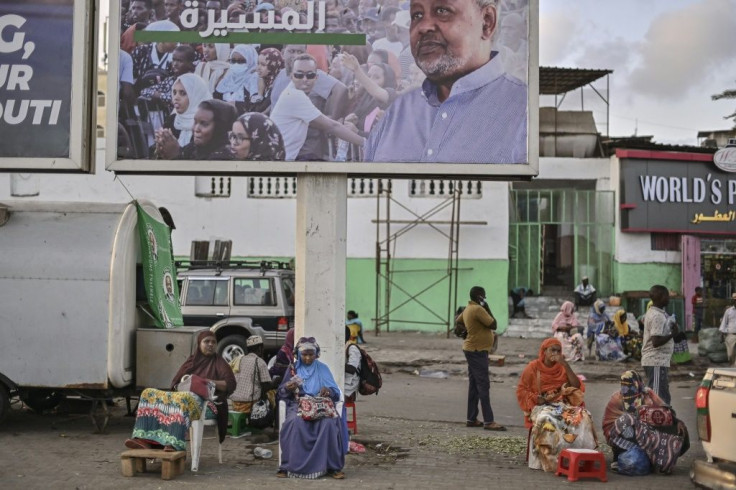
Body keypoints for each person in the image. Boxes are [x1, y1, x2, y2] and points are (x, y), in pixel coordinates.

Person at [364, 0, 527, 163]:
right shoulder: (397, 113)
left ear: (487, 21)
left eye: (442, 11)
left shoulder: (524, 112)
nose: (423, 27)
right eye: (417, 15)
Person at [125, 329, 236, 451]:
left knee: (182, 400)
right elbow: (175, 383)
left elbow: (230, 384)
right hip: (183, 397)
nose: (210, 344)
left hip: (208, 403)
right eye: (206, 341)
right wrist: (187, 383)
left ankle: (174, 443)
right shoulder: (192, 361)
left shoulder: (219, 362)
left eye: (213, 342)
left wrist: (207, 382)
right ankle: (143, 439)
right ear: (199, 344)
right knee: (148, 393)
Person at [516, 338, 597, 472]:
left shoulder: (562, 367)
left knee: (584, 416)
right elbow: (521, 390)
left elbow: (576, 386)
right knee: (547, 419)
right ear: (544, 352)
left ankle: (581, 457)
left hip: (562, 404)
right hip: (542, 406)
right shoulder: (533, 367)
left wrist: (566, 365)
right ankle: (548, 460)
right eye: (552, 350)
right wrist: (536, 398)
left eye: (558, 350)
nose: (556, 353)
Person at [270, 54, 364, 161]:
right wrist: (365, 142)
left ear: (316, 78)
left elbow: (324, 123)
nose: (305, 79)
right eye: (299, 75)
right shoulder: (295, 96)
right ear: (291, 76)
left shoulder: (293, 93)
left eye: (310, 75)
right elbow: (332, 126)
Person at [277, 337, 346, 479]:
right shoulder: (293, 369)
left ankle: (333, 467)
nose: (308, 358)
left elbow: (335, 391)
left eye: (311, 354)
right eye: (304, 354)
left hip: (320, 405)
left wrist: (329, 391)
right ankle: (288, 467)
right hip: (298, 405)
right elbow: (281, 392)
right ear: (298, 354)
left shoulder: (323, 368)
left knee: (328, 424)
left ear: (316, 354)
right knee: (294, 423)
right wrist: (288, 388)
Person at [602, 370, 689, 474]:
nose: (628, 389)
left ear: (638, 384)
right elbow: (609, 424)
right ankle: (620, 456)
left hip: (645, 431)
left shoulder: (648, 395)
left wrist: (676, 422)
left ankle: (656, 460)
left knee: (671, 431)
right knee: (627, 420)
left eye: (632, 385)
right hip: (620, 434)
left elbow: (665, 411)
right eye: (625, 386)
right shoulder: (617, 399)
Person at [460, 286, 505, 431]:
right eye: (484, 296)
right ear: (479, 297)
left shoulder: (468, 308)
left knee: (474, 385)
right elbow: (494, 324)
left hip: (472, 349)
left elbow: (458, 321)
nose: (485, 298)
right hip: (477, 351)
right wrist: (487, 306)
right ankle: (489, 421)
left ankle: (471, 418)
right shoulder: (478, 309)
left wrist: (468, 330)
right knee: (483, 385)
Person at [155, 99, 237, 160]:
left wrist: (175, 156)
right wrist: (163, 151)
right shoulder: (194, 147)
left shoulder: (224, 156)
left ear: (220, 128)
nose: (195, 129)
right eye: (195, 122)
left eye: (204, 124)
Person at [641, 285, 678, 405]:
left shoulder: (656, 313)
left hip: (658, 362)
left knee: (663, 397)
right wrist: (672, 334)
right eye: (667, 296)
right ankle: (655, 423)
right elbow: (655, 342)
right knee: (656, 400)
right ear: (661, 297)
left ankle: (664, 422)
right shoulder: (657, 316)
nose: (669, 299)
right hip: (655, 361)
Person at [229, 335, 274, 414]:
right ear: (260, 348)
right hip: (250, 404)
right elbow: (266, 386)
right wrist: (275, 382)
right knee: (272, 393)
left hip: (235, 403)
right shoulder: (259, 361)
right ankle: (268, 420)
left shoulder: (239, 360)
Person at [344, 326, 362, 402]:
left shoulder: (352, 348)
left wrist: (336, 363)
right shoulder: (341, 347)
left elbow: (352, 369)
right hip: (344, 381)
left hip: (349, 386)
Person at [719, 292, 736, 366]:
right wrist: (722, 335)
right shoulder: (728, 311)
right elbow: (723, 324)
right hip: (731, 335)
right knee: (730, 354)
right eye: (734, 299)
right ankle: (732, 367)